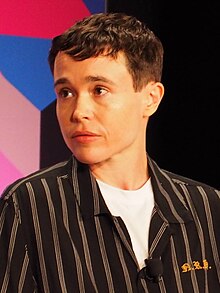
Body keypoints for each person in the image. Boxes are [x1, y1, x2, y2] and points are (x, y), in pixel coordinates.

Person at [0, 12, 219, 293]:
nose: (79, 112)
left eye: (99, 90)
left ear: (151, 99)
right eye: (66, 93)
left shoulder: (208, 208)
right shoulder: (26, 206)